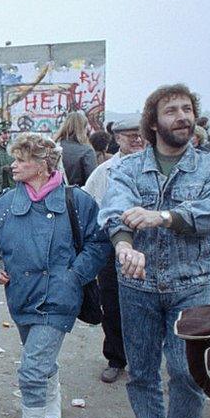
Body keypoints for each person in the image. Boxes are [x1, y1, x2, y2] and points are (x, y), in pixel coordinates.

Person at [99, 83, 210, 418]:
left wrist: (165, 217)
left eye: (187, 108)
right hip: (136, 285)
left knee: (185, 370)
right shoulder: (126, 167)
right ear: (154, 123)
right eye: (172, 110)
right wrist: (124, 247)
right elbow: (114, 213)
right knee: (140, 370)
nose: (183, 116)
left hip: (190, 284)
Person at [0, 132, 109, 418]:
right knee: (40, 360)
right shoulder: (3, 206)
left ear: (42, 164)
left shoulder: (76, 201)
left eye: (21, 159)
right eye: (14, 158)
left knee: (31, 369)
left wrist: (75, 276)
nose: (13, 165)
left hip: (60, 297)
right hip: (20, 297)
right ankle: (53, 389)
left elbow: (98, 241)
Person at [83, 117, 145, 383]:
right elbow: (89, 205)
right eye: (130, 136)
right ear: (117, 139)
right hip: (112, 250)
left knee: (147, 307)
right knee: (112, 303)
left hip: (149, 248)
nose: (137, 140)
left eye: (141, 135)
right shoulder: (105, 171)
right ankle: (116, 358)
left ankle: (144, 361)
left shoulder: (157, 168)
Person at [53, 111, 97, 186]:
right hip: (76, 195)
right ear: (83, 129)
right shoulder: (87, 151)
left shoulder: (53, 147)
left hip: (52, 194)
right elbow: (92, 181)